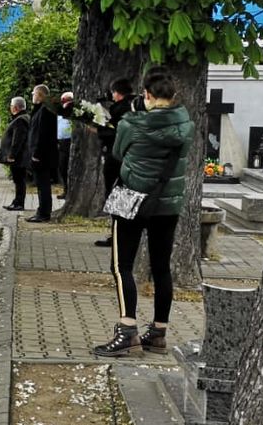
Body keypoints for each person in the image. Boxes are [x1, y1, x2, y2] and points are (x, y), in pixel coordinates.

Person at [93, 69, 194, 357]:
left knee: (121, 265)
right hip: (167, 203)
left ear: (147, 95)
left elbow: (118, 153)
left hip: (131, 196)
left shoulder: (131, 123)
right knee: (161, 267)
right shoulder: (185, 124)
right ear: (173, 96)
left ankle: (127, 330)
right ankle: (159, 333)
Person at [91, 77, 137, 248]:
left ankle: (118, 236)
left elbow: (116, 133)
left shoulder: (122, 109)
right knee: (120, 195)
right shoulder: (133, 106)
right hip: (126, 159)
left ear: (117, 93)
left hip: (116, 158)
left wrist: (99, 129)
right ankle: (120, 235)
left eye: (113, 93)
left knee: (116, 195)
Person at [23, 84, 60, 221]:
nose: (32, 96)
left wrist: (37, 154)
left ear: (40, 95)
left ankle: (44, 213)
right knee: (40, 184)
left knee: (43, 185)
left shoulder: (45, 111)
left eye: (34, 94)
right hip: (40, 154)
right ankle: (42, 211)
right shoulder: (40, 110)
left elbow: (42, 134)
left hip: (42, 156)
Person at [0, 96, 31, 211]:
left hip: (18, 158)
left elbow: (18, 139)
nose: (10, 108)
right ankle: (16, 201)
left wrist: (12, 155)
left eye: (11, 106)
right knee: (18, 180)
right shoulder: (22, 118)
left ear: (15, 107)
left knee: (19, 180)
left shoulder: (20, 120)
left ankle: (19, 203)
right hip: (19, 157)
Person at [56, 91, 75, 192]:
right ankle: (66, 189)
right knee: (62, 167)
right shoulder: (60, 112)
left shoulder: (73, 112)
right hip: (61, 142)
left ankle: (70, 190)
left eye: (67, 100)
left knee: (69, 166)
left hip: (70, 141)